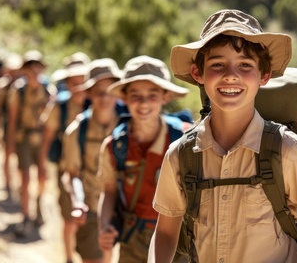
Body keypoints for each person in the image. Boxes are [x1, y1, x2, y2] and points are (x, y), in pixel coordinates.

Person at [148, 9, 297, 262]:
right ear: (198, 74)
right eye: (217, 64)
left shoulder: (288, 150)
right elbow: (165, 232)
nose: (231, 74)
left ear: (264, 75)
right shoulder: (181, 155)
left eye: (245, 65)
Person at [97, 55, 190, 263]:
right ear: (124, 98)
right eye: (135, 95)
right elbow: (109, 190)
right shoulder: (115, 147)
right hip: (133, 238)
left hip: (179, 240)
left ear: (165, 97)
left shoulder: (185, 141)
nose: (144, 103)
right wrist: (104, 226)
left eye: (152, 95)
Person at [59, 58, 123, 263]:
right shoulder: (76, 131)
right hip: (91, 207)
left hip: (124, 209)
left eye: (109, 91)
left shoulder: (129, 127)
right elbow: (72, 174)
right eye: (98, 92)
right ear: (89, 94)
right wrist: (78, 201)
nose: (104, 98)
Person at [39, 52, 91, 262]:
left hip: (96, 171)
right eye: (74, 82)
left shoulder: (98, 105)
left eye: (83, 82)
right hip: (67, 168)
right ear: (67, 84)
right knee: (70, 217)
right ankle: (69, 257)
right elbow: (48, 137)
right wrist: (42, 165)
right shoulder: (59, 107)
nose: (79, 87)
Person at [6, 49, 53, 237]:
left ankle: (39, 203)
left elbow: (51, 123)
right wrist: (10, 145)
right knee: (25, 178)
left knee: (42, 176)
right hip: (23, 139)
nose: (34, 71)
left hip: (41, 139)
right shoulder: (18, 90)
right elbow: (12, 119)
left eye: (37, 67)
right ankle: (26, 215)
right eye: (30, 67)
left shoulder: (48, 91)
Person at [0, 52, 24, 200]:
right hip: (7, 125)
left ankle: (19, 187)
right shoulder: (3, 86)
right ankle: (8, 185)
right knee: (7, 155)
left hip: (22, 127)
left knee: (21, 157)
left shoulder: (24, 86)